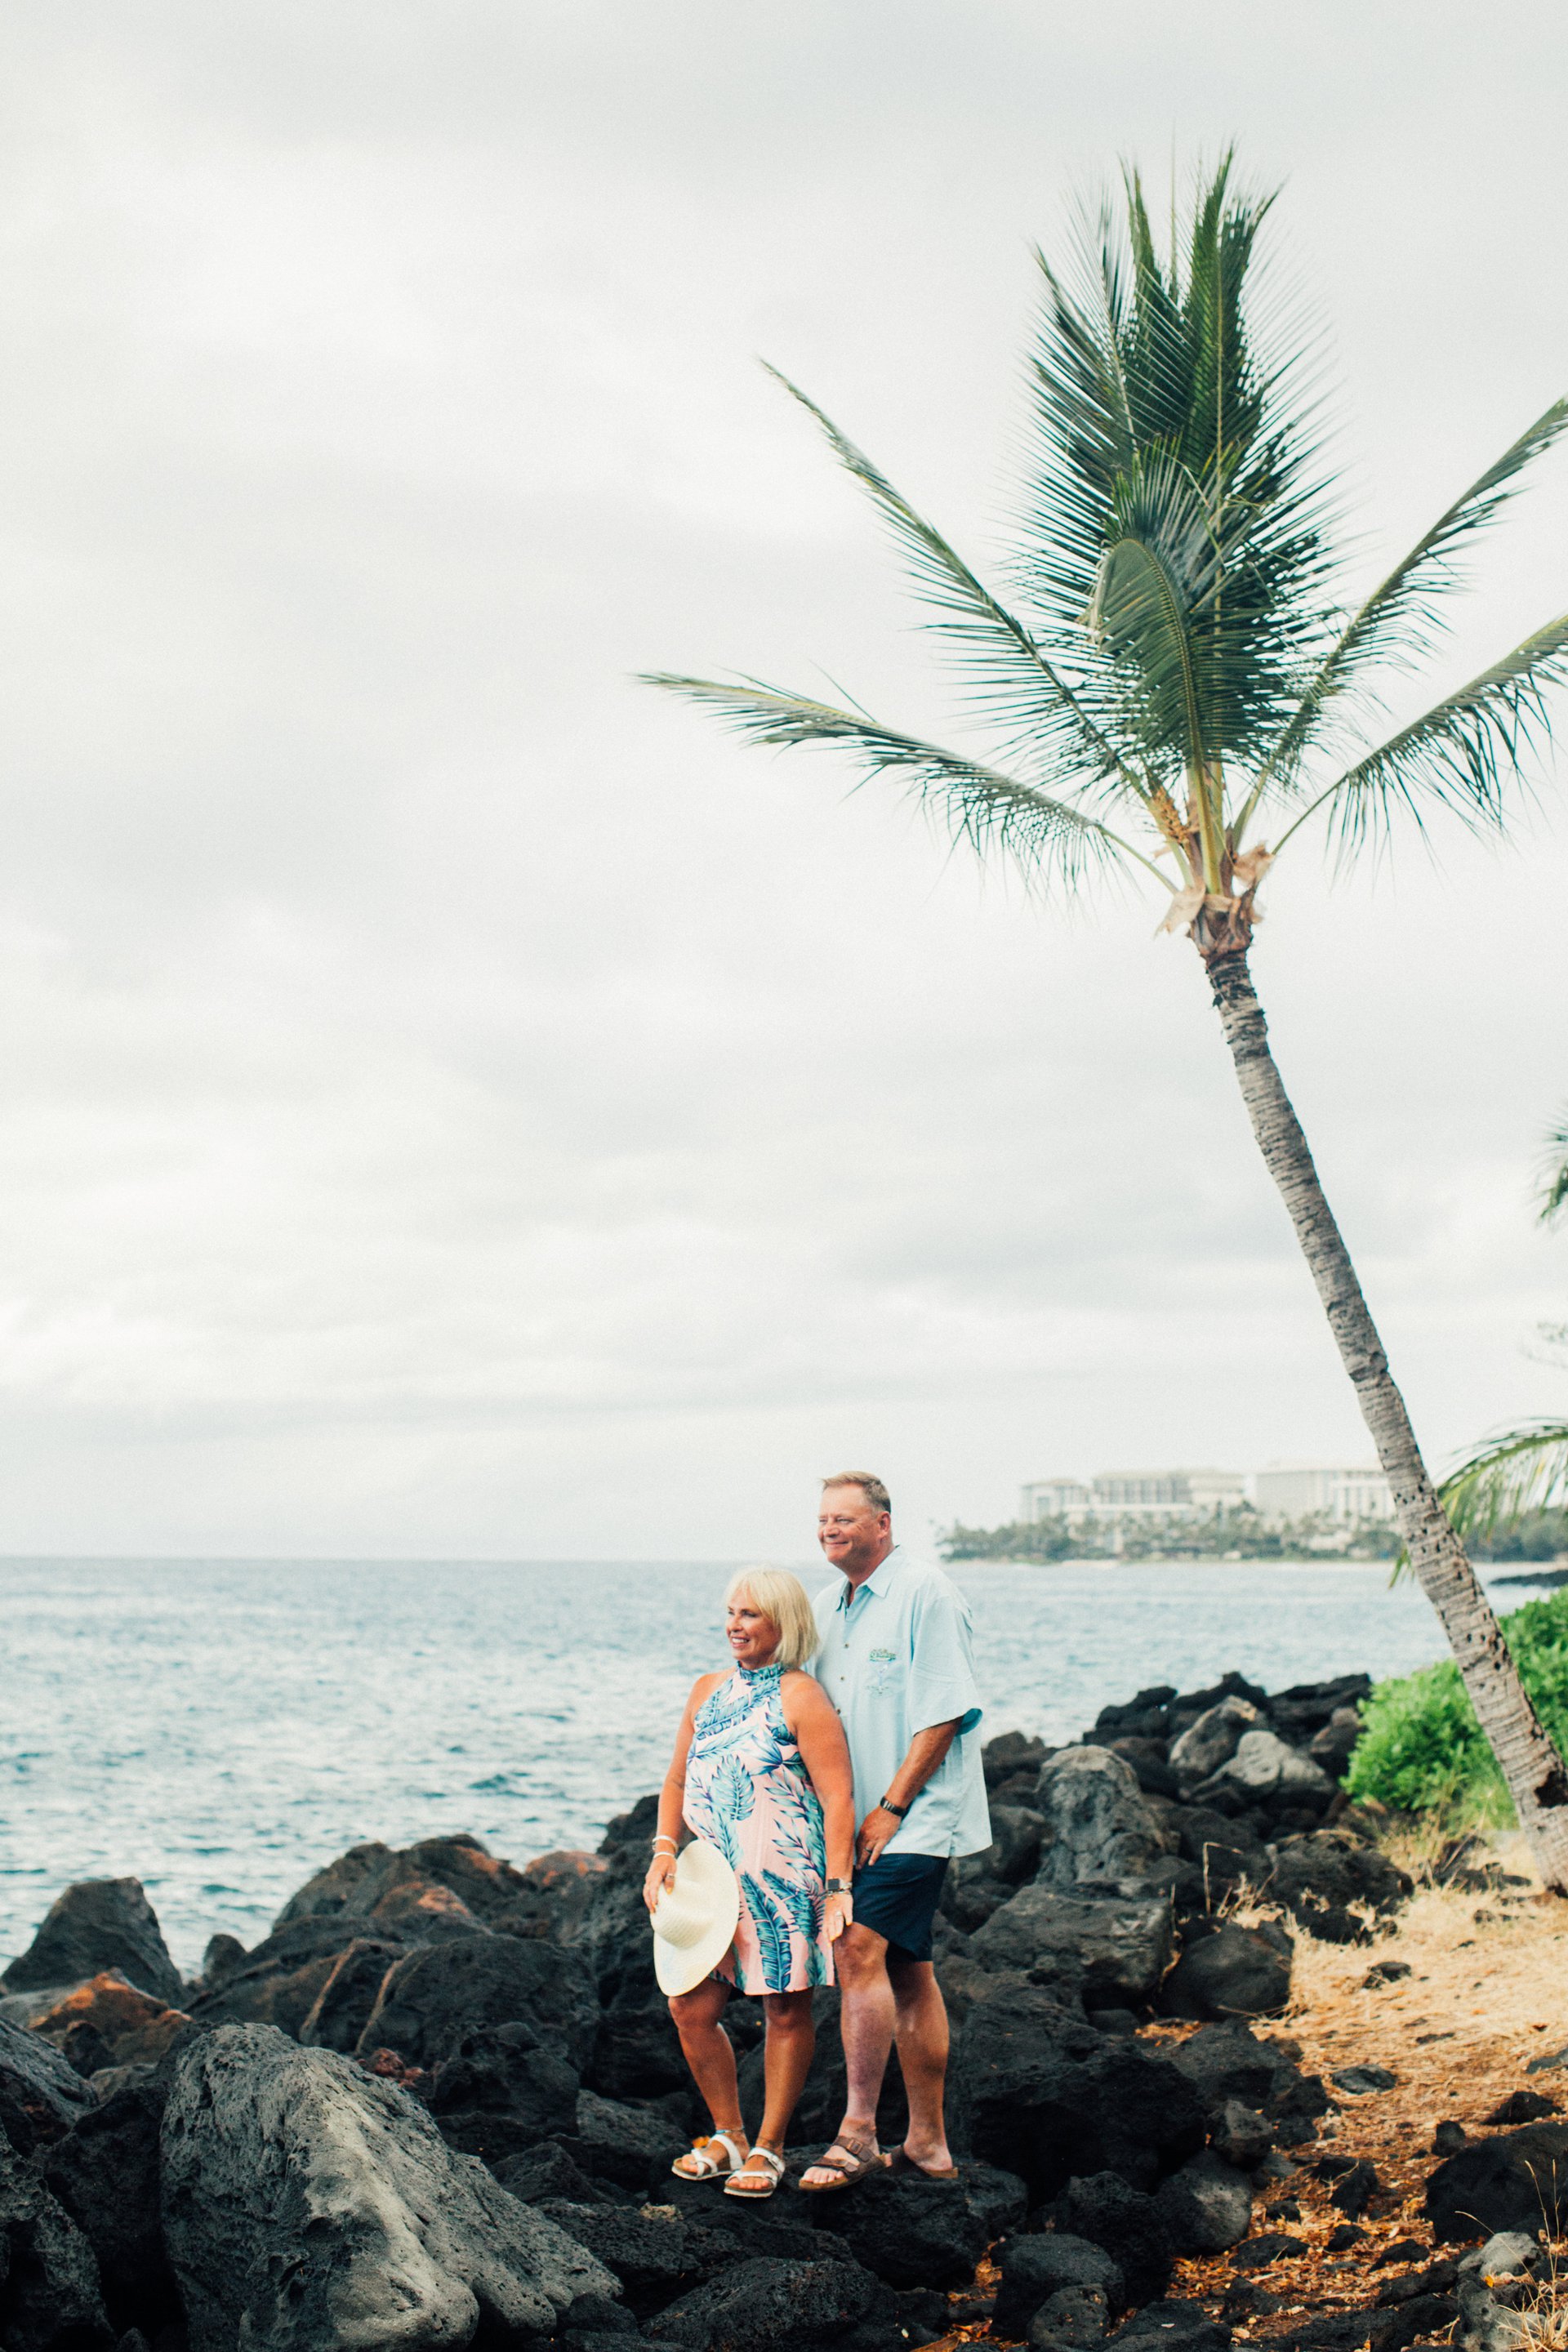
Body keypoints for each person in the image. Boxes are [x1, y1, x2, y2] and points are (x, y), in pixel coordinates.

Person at [799, 1472, 990, 2191]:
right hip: (851, 1825)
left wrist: (895, 1806)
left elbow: (945, 1711)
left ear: (883, 1524)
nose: (830, 1530)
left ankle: (857, 2134)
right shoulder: (827, 1606)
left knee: (855, 1947)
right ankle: (930, 2144)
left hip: (914, 1817)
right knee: (909, 1973)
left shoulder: (926, 1593)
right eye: (822, 1520)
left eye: (845, 1518)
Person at [643, 1565, 856, 2200]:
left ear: (782, 1625)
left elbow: (839, 1798)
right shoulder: (707, 1689)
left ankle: (770, 2145)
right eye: (731, 1613)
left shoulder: (802, 1696)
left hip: (782, 1878)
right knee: (689, 2007)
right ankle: (728, 2132)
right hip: (711, 1883)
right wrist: (662, 1849)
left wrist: (839, 1885)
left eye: (750, 1615)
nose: (735, 1625)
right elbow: (677, 1780)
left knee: (785, 2009)